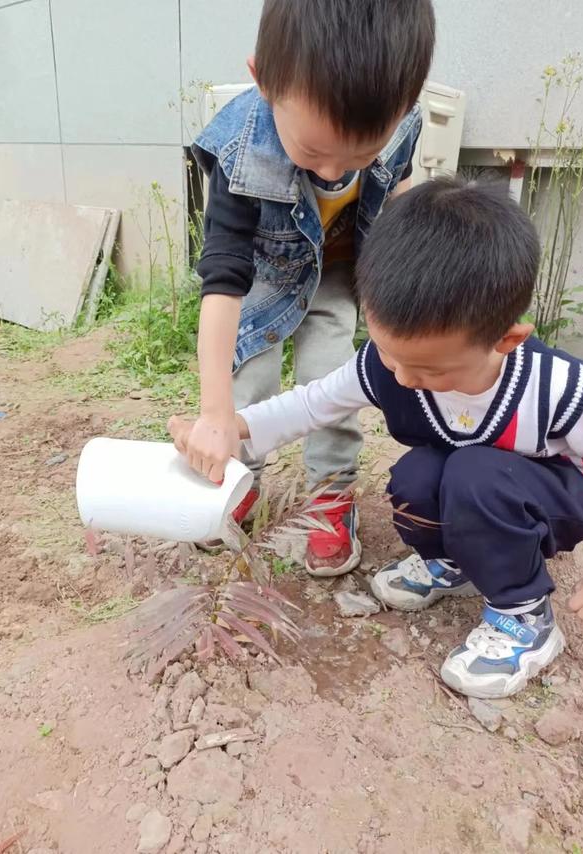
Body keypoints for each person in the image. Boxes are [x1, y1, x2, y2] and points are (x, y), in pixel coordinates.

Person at [171, 176, 583, 699]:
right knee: (416, 476)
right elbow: (310, 404)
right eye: (388, 352)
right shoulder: (389, 365)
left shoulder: (558, 390)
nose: (403, 377)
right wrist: (230, 429)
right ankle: (456, 558)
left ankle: (524, 613)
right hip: (483, 482)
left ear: (505, 339)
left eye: (427, 368)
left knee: (472, 475)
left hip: (559, 498)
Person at [185, 0, 436, 577]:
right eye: (313, 152)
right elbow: (222, 278)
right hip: (261, 280)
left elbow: (397, 194)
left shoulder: (403, 124)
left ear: (404, 104)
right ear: (263, 81)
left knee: (332, 385)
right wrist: (214, 409)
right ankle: (237, 481)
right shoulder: (239, 149)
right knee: (248, 386)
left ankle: (331, 494)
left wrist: (409, 280)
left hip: (338, 279)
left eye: (361, 153)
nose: (332, 172)